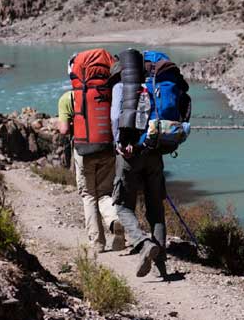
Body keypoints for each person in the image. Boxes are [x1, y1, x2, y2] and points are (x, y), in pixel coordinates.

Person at [111, 50, 190, 278]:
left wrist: (120, 142)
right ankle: (161, 268)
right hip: (155, 149)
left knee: (123, 205)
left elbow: (117, 117)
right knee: (155, 210)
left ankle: (143, 244)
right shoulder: (158, 85)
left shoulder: (124, 86)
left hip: (130, 152)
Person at [58, 50, 125, 253]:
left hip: (83, 150)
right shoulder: (107, 92)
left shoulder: (67, 98)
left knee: (88, 195)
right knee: (105, 193)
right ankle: (114, 220)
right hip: (107, 146)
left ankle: (97, 243)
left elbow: (63, 130)